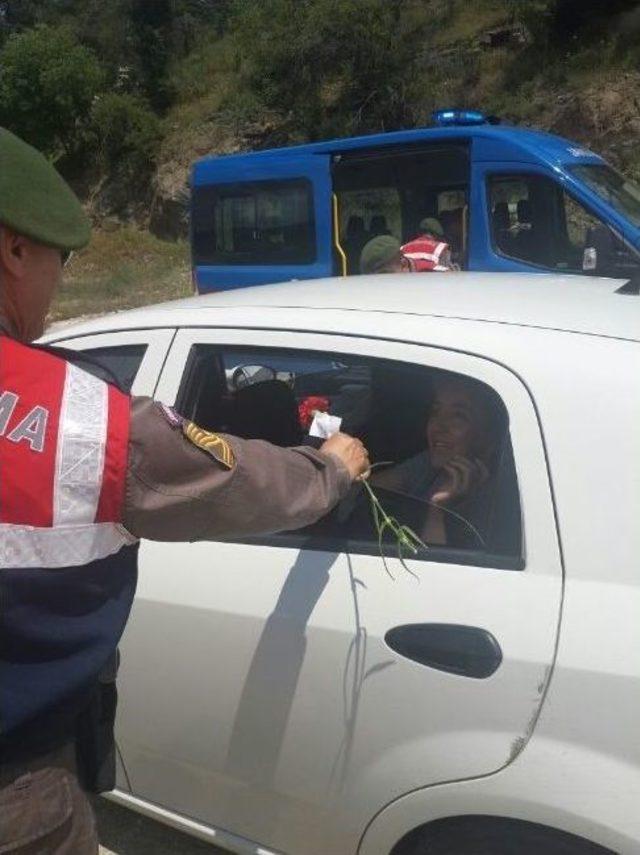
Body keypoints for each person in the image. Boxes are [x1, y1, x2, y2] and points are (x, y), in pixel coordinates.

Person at [0, 127, 370, 853]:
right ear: (14, 250)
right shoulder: (86, 421)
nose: (60, 281)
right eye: (60, 259)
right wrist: (331, 468)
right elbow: (233, 481)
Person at [372, 374, 503, 549]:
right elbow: (368, 489)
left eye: (458, 416)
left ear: (487, 438)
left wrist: (438, 510)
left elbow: (429, 562)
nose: (438, 426)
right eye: (435, 412)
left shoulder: (496, 505)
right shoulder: (432, 462)